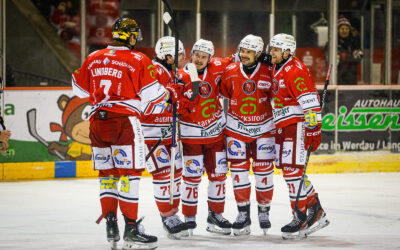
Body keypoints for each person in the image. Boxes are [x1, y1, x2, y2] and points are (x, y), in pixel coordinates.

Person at [72, 17, 185, 249]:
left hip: (97, 124)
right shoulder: (138, 59)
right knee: (129, 176)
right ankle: (131, 229)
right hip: (124, 124)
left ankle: (111, 226)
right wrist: (172, 92)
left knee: (107, 176)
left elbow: (78, 88)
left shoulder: (93, 57)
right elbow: (155, 96)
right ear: (131, 37)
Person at [267, 33, 329, 239]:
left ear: (287, 51)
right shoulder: (279, 65)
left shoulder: (295, 71)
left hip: (297, 127)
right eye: (271, 48)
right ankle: (316, 209)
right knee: (291, 172)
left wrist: (314, 130)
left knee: (293, 172)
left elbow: (311, 103)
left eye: (276, 49)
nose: (271, 52)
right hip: (285, 127)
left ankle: (300, 217)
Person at [220, 34, 275, 236]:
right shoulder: (230, 71)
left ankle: (264, 212)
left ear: (259, 54)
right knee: (239, 174)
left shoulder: (270, 72)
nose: (243, 55)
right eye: (242, 50)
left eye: (249, 52)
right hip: (236, 129)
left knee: (264, 174)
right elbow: (225, 93)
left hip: (264, 129)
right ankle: (243, 214)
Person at [178, 39, 234, 235]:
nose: (199, 59)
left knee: (218, 176)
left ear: (210, 58)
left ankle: (215, 215)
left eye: (204, 56)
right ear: (191, 54)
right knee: (192, 179)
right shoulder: (181, 76)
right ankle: (189, 219)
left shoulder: (218, 66)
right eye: (196, 55)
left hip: (215, 135)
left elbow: (236, 59)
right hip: (191, 136)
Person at [140, 36, 189, 239]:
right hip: (152, 133)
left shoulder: (171, 72)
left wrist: (178, 103)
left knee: (175, 173)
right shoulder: (153, 70)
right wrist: (171, 98)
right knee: (162, 174)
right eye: (178, 55)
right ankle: (167, 215)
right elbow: (146, 104)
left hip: (169, 132)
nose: (181, 58)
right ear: (166, 55)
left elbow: (174, 100)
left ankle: (172, 214)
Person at [332, 16, 363, 85]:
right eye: (342, 28)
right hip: (336, 81)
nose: (344, 31)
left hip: (352, 81)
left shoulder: (354, 41)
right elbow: (333, 61)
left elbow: (359, 58)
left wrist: (342, 56)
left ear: (349, 30)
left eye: (346, 28)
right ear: (338, 30)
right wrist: (352, 56)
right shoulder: (332, 42)